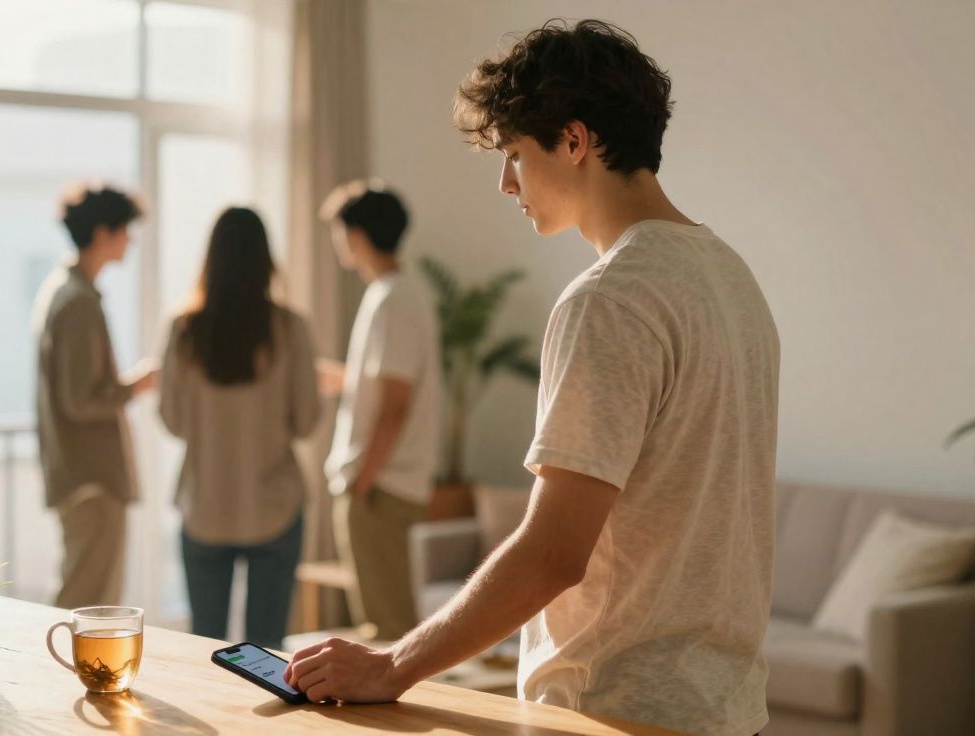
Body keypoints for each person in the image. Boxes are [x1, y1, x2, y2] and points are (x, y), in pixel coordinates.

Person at [285, 20, 779, 736]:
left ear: (575, 142)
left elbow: (553, 553)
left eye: (514, 154)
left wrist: (393, 664)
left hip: (613, 710)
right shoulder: (731, 276)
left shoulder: (610, 299)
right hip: (729, 710)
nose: (504, 182)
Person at [159, 207, 321, 649]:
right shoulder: (290, 329)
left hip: (205, 505)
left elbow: (172, 421)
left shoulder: (183, 331)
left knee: (203, 649)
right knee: (267, 653)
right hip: (274, 506)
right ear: (266, 260)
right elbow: (307, 421)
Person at [317, 181, 442, 641]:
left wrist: (363, 480)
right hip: (380, 479)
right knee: (383, 616)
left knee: (387, 624)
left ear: (357, 235)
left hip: (381, 482)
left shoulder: (394, 298)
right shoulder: (393, 294)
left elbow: (395, 403)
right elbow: (384, 388)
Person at [34, 184, 157, 610]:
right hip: (92, 479)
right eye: (126, 230)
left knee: (85, 594)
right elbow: (80, 401)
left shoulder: (65, 290)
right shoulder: (78, 301)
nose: (131, 241)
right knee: (88, 603)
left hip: (81, 475)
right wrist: (133, 386)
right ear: (105, 232)